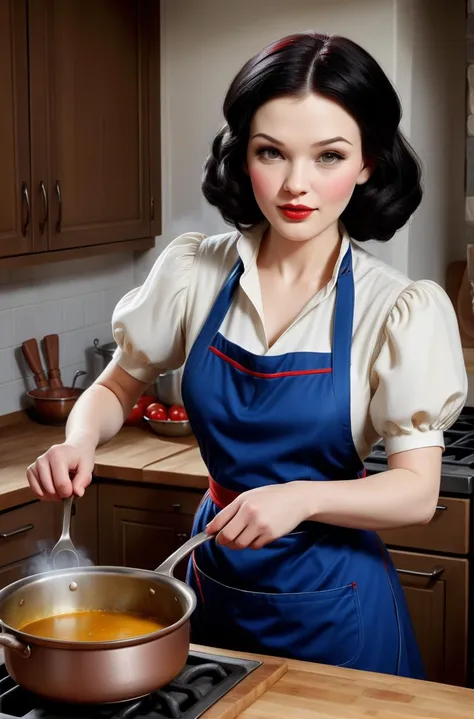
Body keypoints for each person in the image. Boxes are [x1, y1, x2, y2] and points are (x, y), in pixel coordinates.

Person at [27, 33, 467, 678]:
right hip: (215, 567)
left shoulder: (397, 308)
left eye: (329, 156)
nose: (296, 185)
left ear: (368, 162)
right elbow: (117, 387)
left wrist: (298, 499)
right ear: (244, 157)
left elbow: (415, 494)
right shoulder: (195, 272)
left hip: (335, 599)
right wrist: (79, 441)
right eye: (272, 153)